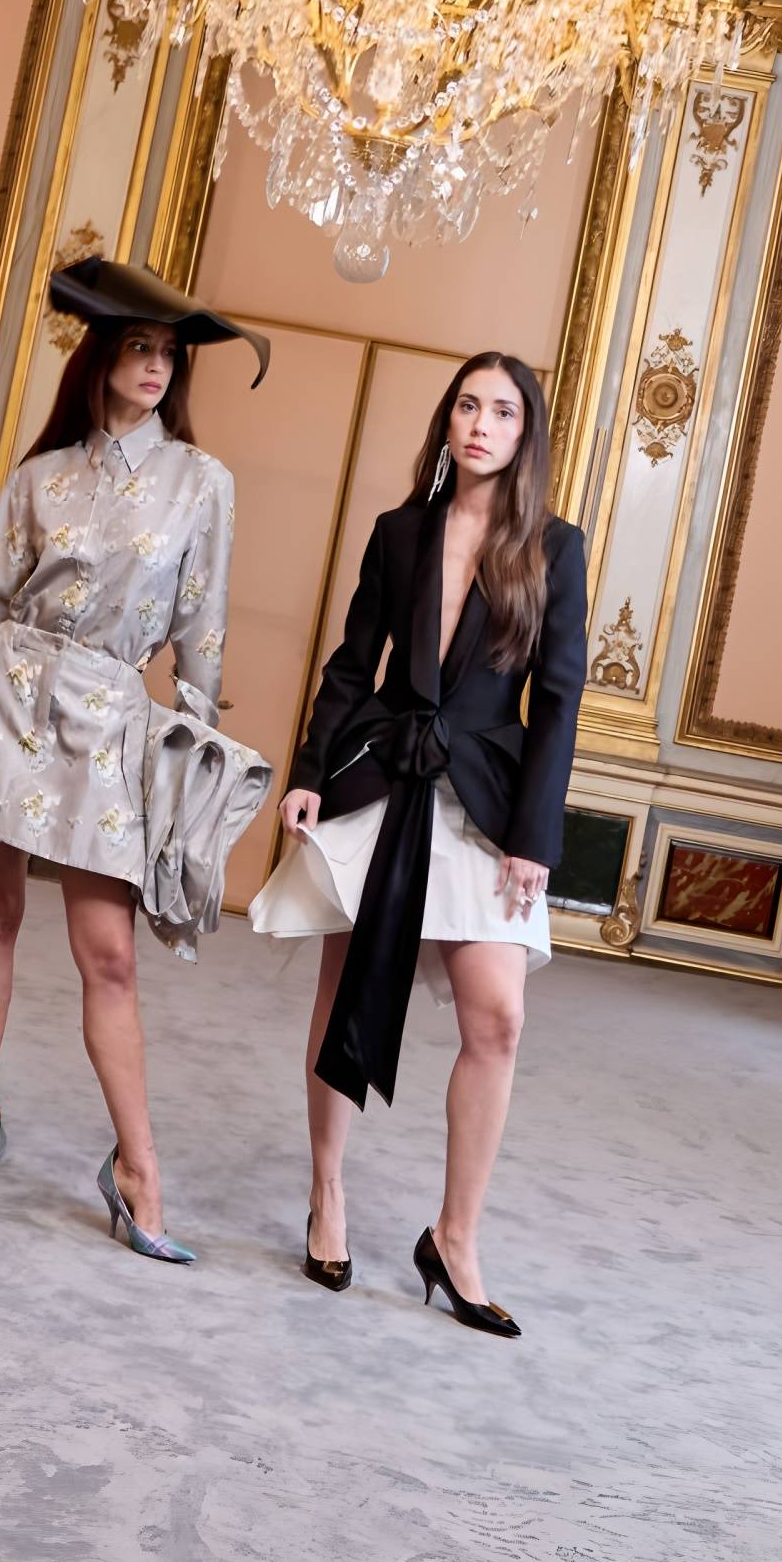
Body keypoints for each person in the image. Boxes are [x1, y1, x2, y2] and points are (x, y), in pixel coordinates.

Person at [0, 258, 268, 1266]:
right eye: (139, 347)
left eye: (169, 353)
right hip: (7, 700)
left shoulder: (203, 484)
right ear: (100, 357)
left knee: (109, 953)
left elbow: (202, 631)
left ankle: (139, 1168)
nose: (157, 366)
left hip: (108, 718)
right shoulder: (38, 477)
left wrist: (190, 748)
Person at [250, 351, 586, 1337]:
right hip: (378, 774)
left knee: (499, 1018)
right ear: (447, 422)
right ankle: (328, 1195)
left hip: (483, 793)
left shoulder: (554, 547)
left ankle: (455, 1237)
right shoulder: (400, 531)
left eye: (503, 411)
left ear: (526, 433)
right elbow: (352, 664)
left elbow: (558, 700)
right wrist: (310, 769)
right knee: (343, 989)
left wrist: (535, 835)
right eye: (467, 406)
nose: (481, 424)